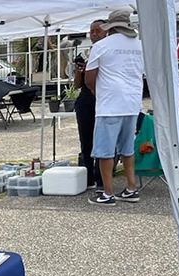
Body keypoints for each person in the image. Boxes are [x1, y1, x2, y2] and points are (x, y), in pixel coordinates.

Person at [85, 9, 144, 206]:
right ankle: (131, 188)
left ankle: (108, 193)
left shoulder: (101, 46)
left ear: (110, 27)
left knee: (105, 151)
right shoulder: (140, 46)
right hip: (132, 102)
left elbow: (89, 77)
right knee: (127, 149)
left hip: (110, 103)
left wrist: (96, 91)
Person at [74, 20, 107, 191]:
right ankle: (87, 178)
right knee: (85, 141)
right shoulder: (86, 53)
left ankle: (102, 178)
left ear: (106, 32)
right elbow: (78, 84)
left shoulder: (109, 51)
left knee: (102, 141)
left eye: (97, 30)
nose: (94, 34)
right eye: (91, 31)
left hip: (103, 98)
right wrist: (81, 71)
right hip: (86, 99)